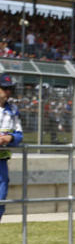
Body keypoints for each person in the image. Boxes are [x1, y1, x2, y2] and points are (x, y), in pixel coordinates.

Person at [0, 74, 23, 223]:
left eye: (10, 89)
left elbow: (19, 135)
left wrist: (10, 138)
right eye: (5, 88)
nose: (8, 92)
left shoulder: (13, 110)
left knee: (1, 202)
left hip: (1, 162)